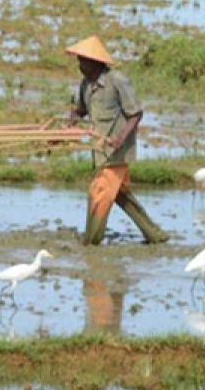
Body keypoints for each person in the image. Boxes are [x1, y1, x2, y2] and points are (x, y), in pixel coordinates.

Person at [65, 35, 168, 245]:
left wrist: (120, 138)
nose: (79, 65)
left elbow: (135, 114)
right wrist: (71, 121)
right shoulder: (86, 85)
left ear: (95, 61)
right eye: (79, 60)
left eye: (83, 60)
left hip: (116, 152)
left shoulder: (117, 80)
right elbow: (81, 110)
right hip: (100, 151)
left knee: (99, 193)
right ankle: (155, 235)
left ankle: (92, 240)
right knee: (120, 195)